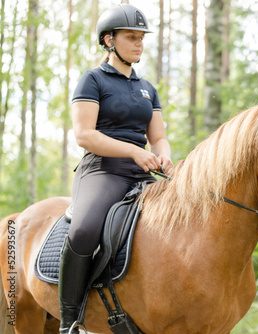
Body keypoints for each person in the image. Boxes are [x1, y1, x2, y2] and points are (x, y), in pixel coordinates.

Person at [58, 4, 173, 333]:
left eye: (141, 38)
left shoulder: (147, 88)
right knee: (83, 230)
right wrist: (135, 152)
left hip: (142, 172)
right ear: (109, 40)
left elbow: (159, 137)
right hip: (102, 170)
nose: (139, 43)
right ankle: (69, 322)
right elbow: (85, 135)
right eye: (131, 37)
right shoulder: (92, 80)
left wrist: (164, 156)